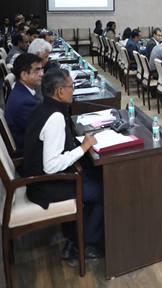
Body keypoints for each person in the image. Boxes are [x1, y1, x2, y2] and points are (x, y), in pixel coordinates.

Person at [23, 69, 104, 262]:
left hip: (39, 179)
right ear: (60, 91)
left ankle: (75, 233)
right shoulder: (55, 117)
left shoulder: (43, 108)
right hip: (46, 185)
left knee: (95, 174)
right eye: (71, 87)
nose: (73, 90)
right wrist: (83, 147)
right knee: (102, 190)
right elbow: (51, 165)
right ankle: (85, 244)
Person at [5, 54, 44, 154]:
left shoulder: (20, 90)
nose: (42, 74)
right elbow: (43, 132)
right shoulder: (25, 103)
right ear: (24, 75)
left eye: (41, 69)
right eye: (37, 70)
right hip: (32, 152)